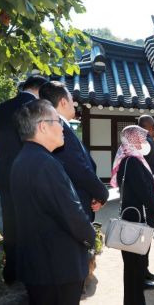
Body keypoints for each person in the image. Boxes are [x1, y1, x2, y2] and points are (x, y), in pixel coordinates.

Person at [10, 100, 95, 304]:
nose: (64, 127)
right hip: (57, 266)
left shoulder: (25, 158)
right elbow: (71, 213)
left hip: (41, 264)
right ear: (43, 126)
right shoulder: (44, 163)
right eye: (58, 121)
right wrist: (90, 237)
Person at [0, 74, 48, 284]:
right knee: (33, 222)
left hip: (5, 172)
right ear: (40, 89)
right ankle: (31, 271)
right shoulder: (37, 108)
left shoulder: (1, 108)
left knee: (11, 223)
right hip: (31, 172)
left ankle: (11, 271)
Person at [111, 126, 154, 305]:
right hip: (137, 220)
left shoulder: (125, 158)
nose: (144, 142)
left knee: (133, 268)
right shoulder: (133, 161)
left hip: (131, 217)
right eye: (141, 138)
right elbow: (145, 192)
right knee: (136, 267)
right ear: (133, 139)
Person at [39, 81, 109, 222]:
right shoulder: (59, 128)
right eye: (72, 100)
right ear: (63, 102)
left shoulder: (58, 126)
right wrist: (101, 193)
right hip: (72, 204)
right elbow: (78, 168)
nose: (74, 103)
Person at [137, 115, 154, 287]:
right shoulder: (146, 143)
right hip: (148, 195)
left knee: (145, 237)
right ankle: (141, 275)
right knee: (143, 237)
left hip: (146, 194)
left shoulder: (141, 141)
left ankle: (144, 271)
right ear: (152, 127)